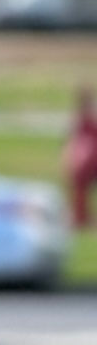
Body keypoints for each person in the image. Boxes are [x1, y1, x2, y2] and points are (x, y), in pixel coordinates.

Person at [65, 87, 97, 235]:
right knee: (80, 187)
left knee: (80, 185)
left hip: (88, 160)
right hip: (87, 160)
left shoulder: (85, 119)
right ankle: (81, 218)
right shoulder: (83, 119)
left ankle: (81, 218)